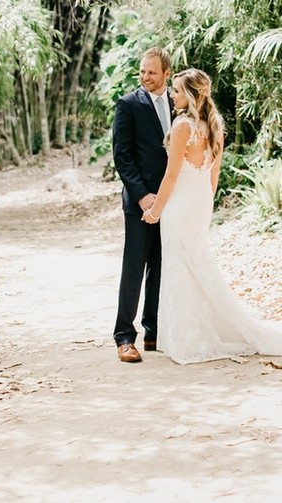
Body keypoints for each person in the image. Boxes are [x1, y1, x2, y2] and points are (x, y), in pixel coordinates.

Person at [142, 68, 282, 364]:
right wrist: (206, 205)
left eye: (178, 91)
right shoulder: (215, 124)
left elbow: (170, 177)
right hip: (200, 199)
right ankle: (201, 331)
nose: (172, 94)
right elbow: (213, 173)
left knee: (180, 266)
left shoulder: (182, 126)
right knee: (195, 262)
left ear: (192, 95)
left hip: (181, 202)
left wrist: (155, 211)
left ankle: (188, 339)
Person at [112, 47, 173, 363]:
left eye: (152, 72)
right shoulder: (128, 104)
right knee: (134, 267)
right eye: (142, 71)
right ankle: (124, 337)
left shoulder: (179, 103)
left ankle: (153, 332)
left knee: (162, 267)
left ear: (166, 73)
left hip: (172, 202)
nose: (145, 77)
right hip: (140, 202)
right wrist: (141, 195)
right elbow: (122, 155)